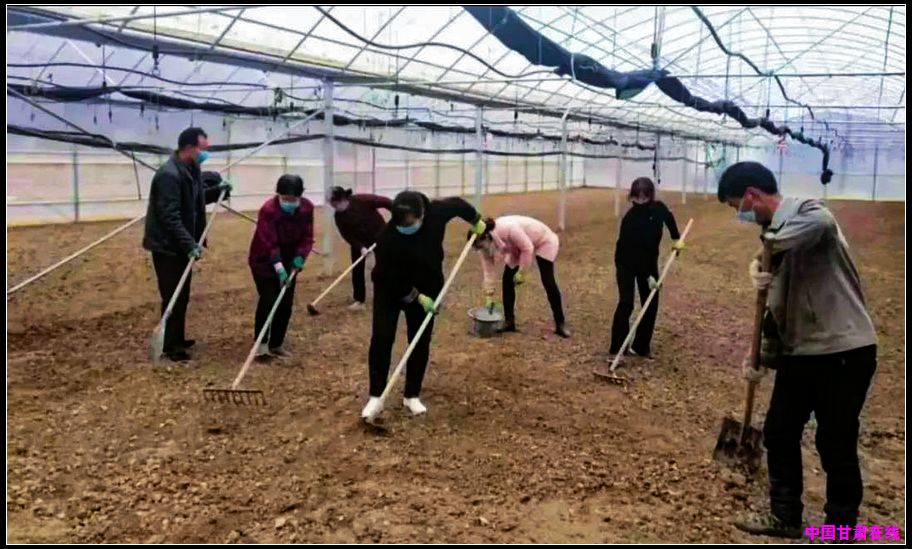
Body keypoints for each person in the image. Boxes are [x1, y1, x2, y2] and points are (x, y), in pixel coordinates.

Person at [716, 162, 878, 539]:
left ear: (753, 196)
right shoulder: (775, 241)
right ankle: (785, 516)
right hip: (800, 353)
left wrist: (766, 252)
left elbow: (821, 223)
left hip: (843, 350)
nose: (740, 215)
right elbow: (776, 312)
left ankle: (841, 529)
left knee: (834, 441)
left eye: (738, 206)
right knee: (778, 432)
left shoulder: (806, 213)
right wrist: (760, 358)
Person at [362, 191, 487, 420]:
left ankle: (412, 395)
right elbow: (387, 276)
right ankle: (376, 395)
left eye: (411, 222)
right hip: (389, 289)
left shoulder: (436, 213)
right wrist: (416, 297)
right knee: (382, 337)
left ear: (422, 215)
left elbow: (457, 204)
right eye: (402, 224)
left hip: (428, 283)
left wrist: (475, 219)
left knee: (419, 339)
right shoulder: (387, 238)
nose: (406, 227)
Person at [142, 127, 232, 362]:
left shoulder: (190, 169)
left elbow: (195, 201)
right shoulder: (169, 175)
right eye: (203, 149)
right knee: (173, 296)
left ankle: (177, 338)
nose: (205, 153)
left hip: (181, 246)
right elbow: (169, 217)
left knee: (182, 296)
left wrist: (218, 191)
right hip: (167, 247)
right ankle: (171, 347)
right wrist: (190, 244)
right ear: (190, 148)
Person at [606, 177, 683, 360]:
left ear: (650, 196)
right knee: (626, 302)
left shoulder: (659, 209)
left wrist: (676, 239)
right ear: (632, 196)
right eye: (637, 197)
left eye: (644, 197)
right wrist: (649, 276)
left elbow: (669, 219)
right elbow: (633, 251)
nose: (640, 201)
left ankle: (641, 346)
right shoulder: (630, 219)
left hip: (648, 260)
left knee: (651, 301)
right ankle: (617, 347)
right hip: (626, 262)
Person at [248, 174, 315, 358]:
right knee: (269, 299)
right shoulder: (268, 210)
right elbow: (268, 241)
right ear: (278, 194)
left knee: (285, 302)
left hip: (290, 259)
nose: (288, 202)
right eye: (285, 198)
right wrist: (278, 267)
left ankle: (276, 343)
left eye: (292, 199)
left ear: (300, 196)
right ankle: (261, 344)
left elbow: (307, 237)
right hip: (263, 259)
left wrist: (300, 258)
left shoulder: (307, 208)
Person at [469, 215, 570, 338]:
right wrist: (489, 296)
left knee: (548, 281)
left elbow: (527, 248)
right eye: (477, 248)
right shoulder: (485, 245)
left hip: (543, 241)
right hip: (516, 248)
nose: (480, 249)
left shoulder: (508, 228)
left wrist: (522, 272)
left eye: (480, 246)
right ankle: (509, 322)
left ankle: (560, 323)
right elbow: (488, 271)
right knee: (507, 280)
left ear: (485, 237)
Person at [327, 186, 393, 311]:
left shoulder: (362, 200)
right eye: (332, 205)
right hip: (359, 241)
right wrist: (360, 247)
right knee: (357, 269)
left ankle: (388, 294)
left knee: (385, 265)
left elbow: (386, 202)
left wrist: (397, 215)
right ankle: (359, 299)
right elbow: (347, 235)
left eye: (334, 204)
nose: (333, 207)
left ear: (342, 199)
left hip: (380, 235)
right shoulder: (339, 216)